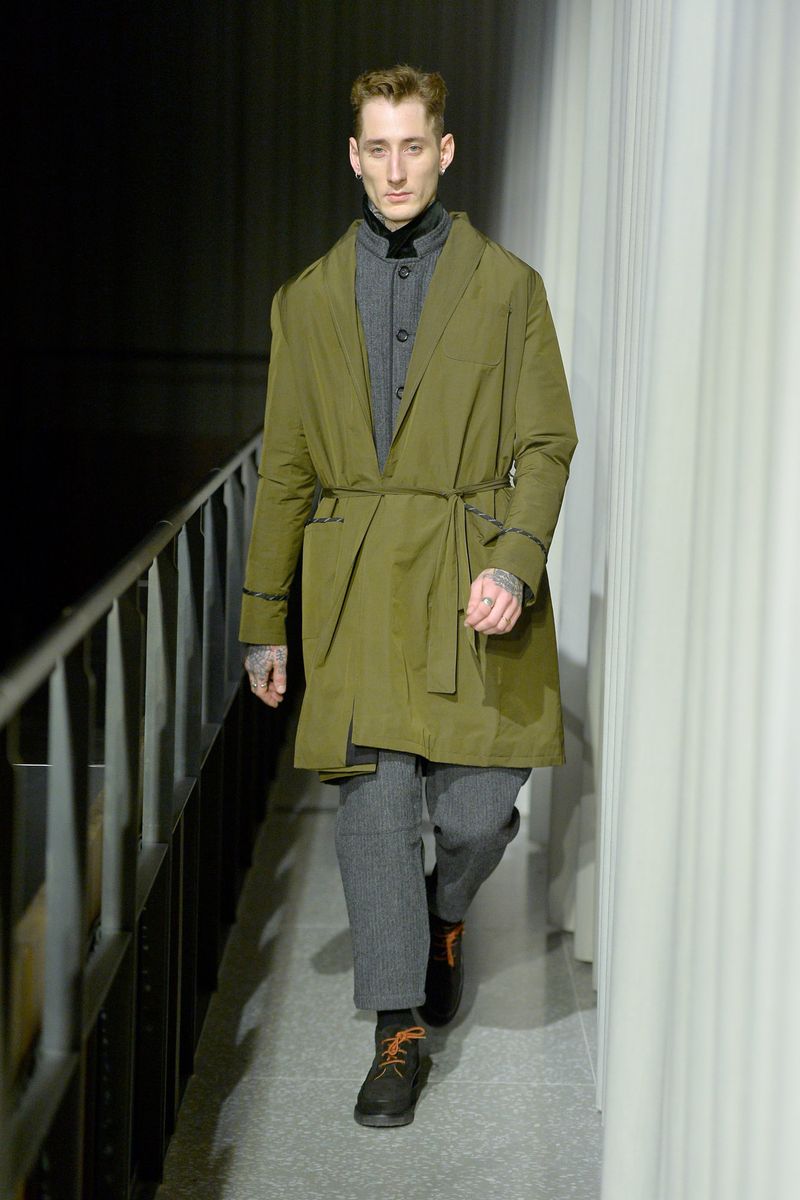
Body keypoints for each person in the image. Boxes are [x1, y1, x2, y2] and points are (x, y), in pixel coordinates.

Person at [240, 64, 577, 1128]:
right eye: (376, 148)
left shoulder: (507, 288)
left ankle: (443, 909)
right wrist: (263, 621)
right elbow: (285, 470)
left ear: (445, 151)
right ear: (354, 157)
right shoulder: (305, 301)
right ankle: (396, 1033)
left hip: (470, 570)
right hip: (354, 587)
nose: (395, 169)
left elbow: (546, 441)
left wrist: (513, 562)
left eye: (412, 146)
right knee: (375, 810)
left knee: (476, 808)